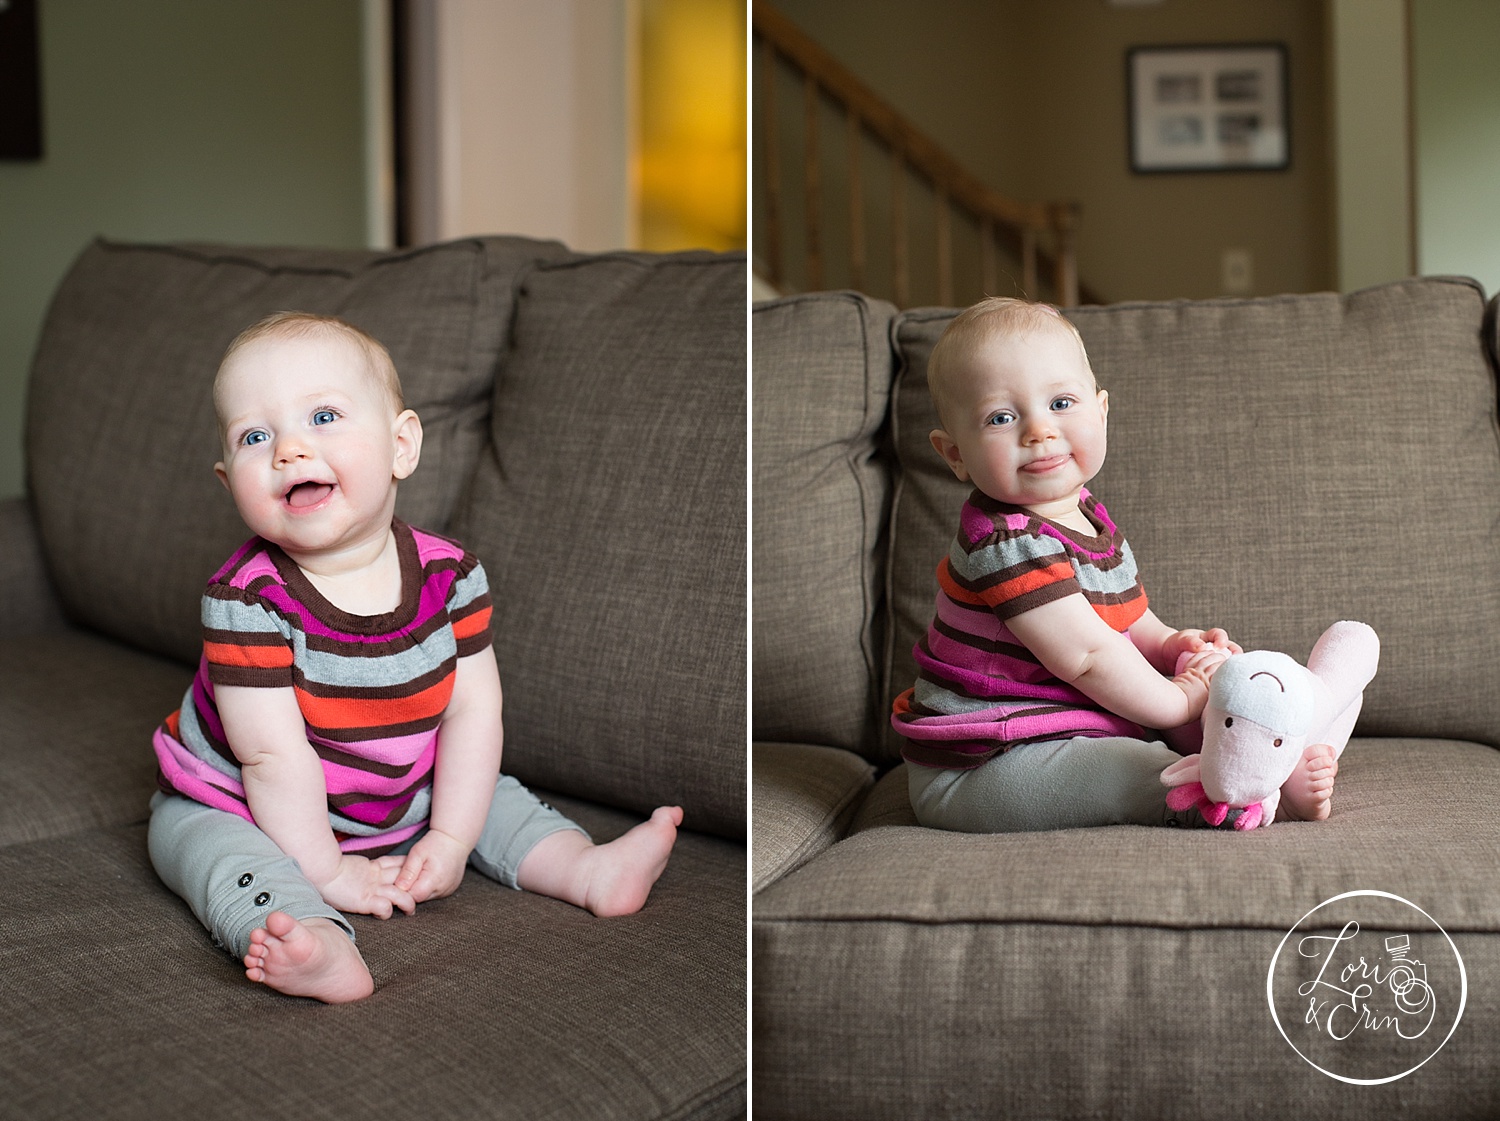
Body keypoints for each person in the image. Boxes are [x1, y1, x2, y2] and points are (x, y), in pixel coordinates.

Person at [150, 311, 681, 1003]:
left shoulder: (452, 577)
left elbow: (473, 711)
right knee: (211, 850)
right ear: (230, 483)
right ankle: (316, 940)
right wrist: (330, 872)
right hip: (236, 799)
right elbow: (270, 760)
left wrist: (454, 838)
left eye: (324, 415)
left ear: (402, 445)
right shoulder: (247, 601)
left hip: (400, 787)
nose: (288, 449)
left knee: (489, 788)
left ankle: (586, 868)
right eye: (256, 435)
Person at [890, 297, 1337, 833]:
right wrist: (1178, 700)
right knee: (1135, 767)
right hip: (985, 765)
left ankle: (1266, 751)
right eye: (1002, 417)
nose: (1038, 431)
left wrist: (1173, 646)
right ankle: (1249, 800)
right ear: (955, 453)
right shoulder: (1004, 545)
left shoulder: (1087, 515)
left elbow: (1126, 623)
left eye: (1060, 403)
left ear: (1100, 411)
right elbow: (1087, 655)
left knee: (1211, 696)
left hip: (1064, 730)